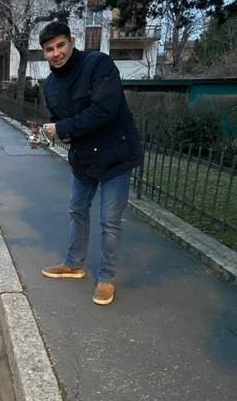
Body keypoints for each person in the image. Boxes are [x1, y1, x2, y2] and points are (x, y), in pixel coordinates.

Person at [38, 21, 143, 306]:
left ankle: (106, 278)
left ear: (72, 41)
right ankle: (74, 264)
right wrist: (56, 133)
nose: (56, 53)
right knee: (76, 209)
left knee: (109, 221)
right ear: (44, 53)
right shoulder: (50, 85)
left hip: (115, 156)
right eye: (49, 49)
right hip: (84, 159)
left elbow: (104, 110)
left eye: (61, 45)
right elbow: (65, 125)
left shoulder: (99, 64)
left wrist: (61, 128)